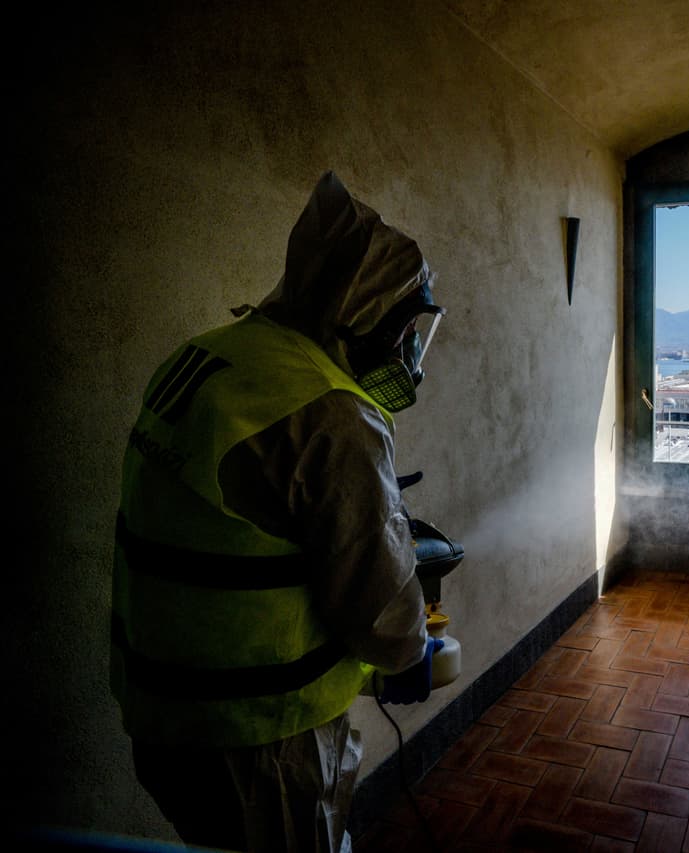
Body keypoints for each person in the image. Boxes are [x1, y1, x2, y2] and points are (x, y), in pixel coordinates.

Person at [110, 171, 446, 852]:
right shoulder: (332, 411)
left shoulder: (205, 357)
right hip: (258, 736)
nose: (409, 351)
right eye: (405, 328)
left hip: (161, 714)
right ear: (363, 312)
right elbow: (381, 611)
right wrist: (412, 650)